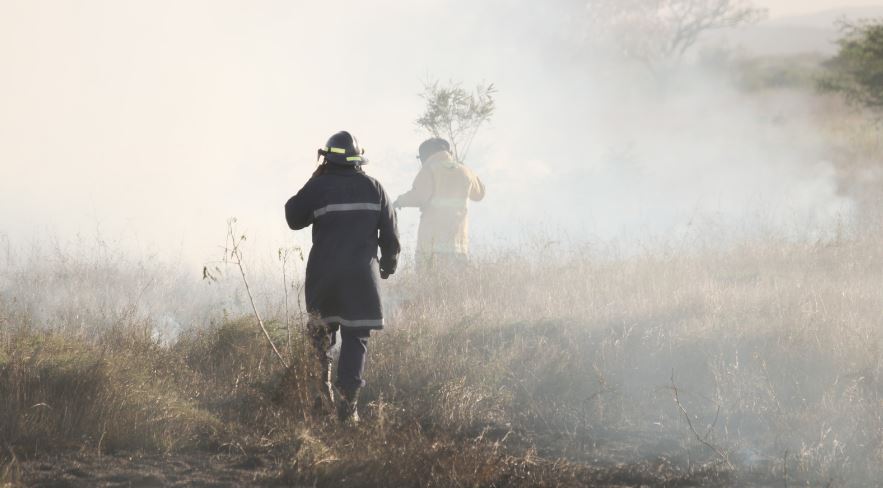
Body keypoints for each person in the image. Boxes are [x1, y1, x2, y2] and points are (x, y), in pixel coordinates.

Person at [284, 131, 400, 423]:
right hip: (361, 278)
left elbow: (293, 217)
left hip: (325, 277)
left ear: (327, 158)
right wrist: (388, 265)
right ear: (358, 160)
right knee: (355, 338)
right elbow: (391, 236)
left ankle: (322, 400)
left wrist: (314, 179)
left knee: (321, 335)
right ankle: (348, 410)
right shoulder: (375, 189)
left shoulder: (320, 186)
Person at [394, 138, 485, 273]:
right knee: (455, 288)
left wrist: (399, 201)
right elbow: (479, 194)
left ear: (426, 155)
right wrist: (466, 169)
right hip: (458, 245)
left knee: (428, 287)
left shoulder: (429, 171)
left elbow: (418, 196)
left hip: (431, 245)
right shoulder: (465, 171)